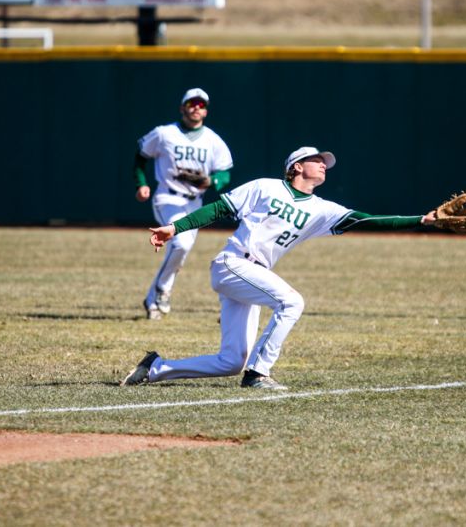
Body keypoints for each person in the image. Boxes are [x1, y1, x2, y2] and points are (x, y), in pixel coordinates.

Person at [121, 146, 438, 390]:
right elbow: (218, 209)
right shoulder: (265, 187)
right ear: (297, 166)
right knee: (292, 301)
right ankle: (259, 374)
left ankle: (155, 367)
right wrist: (175, 229)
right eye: (317, 160)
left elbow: (367, 220)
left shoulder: (321, 209)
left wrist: (422, 219)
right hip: (233, 263)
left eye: (325, 162)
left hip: (251, 275)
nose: (323, 165)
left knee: (230, 361)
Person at [133, 88, 233, 320]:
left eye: (201, 104)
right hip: (167, 197)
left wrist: (211, 181)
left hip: (194, 203)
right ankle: (161, 292)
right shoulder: (164, 133)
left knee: (180, 248)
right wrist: (141, 183)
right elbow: (140, 156)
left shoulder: (213, 140)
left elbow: (225, 173)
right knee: (181, 245)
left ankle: (153, 300)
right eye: (192, 103)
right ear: (182, 107)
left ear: (206, 111)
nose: (196, 107)